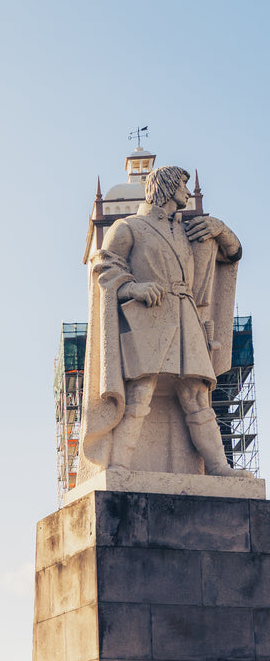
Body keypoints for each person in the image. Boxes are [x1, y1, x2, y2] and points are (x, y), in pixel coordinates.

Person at [79, 164, 242, 480]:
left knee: (196, 395)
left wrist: (220, 229)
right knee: (141, 390)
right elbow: (106, 270)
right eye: (182, 187)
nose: (186, 192)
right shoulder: (128, 227)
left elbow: (232, 253)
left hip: (187, 318)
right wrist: (134, 287)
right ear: (168, 188)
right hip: (149, 320)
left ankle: (219, 466)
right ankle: (119, 466)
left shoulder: (187, 231)